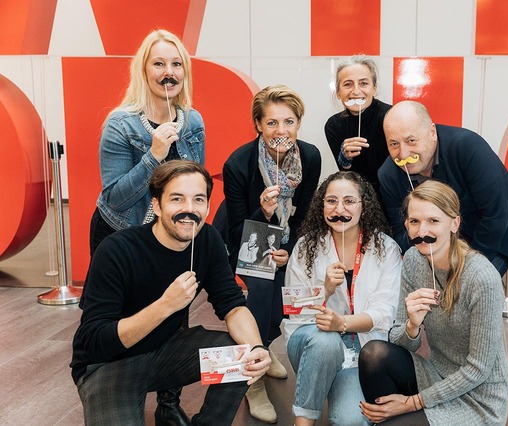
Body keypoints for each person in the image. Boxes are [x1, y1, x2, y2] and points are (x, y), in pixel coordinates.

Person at [70, 160, 271, 426]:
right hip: (108, 364)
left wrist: (256, 347)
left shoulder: (207, 240)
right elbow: (96, 342)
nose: (189, 209)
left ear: (208, 206)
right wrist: (165, 305)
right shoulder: (116, 250)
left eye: (198, 199)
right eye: (177, 199)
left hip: (165, 352)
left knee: (241, 355)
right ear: (157, 205)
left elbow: (233, 305)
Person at [85, 28, 204, 424]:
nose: (168, 72)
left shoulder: (192, 120)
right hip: (123, 235)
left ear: (184, 72)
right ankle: (117, 385)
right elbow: (115, 197)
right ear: (144, 70)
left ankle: (169, 402)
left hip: (173, 235)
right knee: (123, 315)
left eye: (176, 64)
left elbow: (195, 183)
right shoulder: (120, 125)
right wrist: (153, 155)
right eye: (159, 64)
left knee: (177, 308)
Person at [358, 180, 508, 425]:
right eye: (414, 221)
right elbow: (399, 340)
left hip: (478, 398)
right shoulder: (413, 260)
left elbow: (479, 369)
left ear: (454, 224)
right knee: (373, 354)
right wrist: (412, 326)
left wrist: (412, 403)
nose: (422, 231)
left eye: (433, 221)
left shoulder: (481, 277)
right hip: (436, 374)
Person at [222, 85, 322, 423]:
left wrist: (288, 251)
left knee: (288, 299)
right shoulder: (238, 164)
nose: (282, 131)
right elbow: (238, 232)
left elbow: (305, 215)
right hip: (249, 234)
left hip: (288, 236)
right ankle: (253, 380)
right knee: (263, 289)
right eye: (272, 123)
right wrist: (264, 213)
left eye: (289, 122)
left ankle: (262, 348)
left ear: (298, 123)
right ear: (258, 125)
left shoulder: (310, 157)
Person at [283, 171, 402, 426]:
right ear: (322, 205)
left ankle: (329, 385)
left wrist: (343, 324)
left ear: (363, 206)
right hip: (310, 338)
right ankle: (303, 422)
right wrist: (324, 290)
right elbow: (293, 309)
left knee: (352, 421)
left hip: (361, 345)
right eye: (331, 201)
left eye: (349, 201)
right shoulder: (305, 247)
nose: (339, 210)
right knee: (325, 341)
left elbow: (385, 314)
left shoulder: (386, 249)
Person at [377, 100, 508, 275]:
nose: (403, 154)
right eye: (394, 144)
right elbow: (401, 234)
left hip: (495, 235)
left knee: (472, 286)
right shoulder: (388, 175)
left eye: (411, 141)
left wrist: (465, 269)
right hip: (439, 247)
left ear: (432, 132)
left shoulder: (467, 146)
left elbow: (495, 215)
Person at [325, 55, 392, 194]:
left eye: (363, 83)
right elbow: (346, 175)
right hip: (358, 196)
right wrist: (345, 159)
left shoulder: (392, 116)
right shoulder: (334, 125)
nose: (356, 91)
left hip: (392, 194)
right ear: (338, 92)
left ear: (374, 88)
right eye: (347, 84)